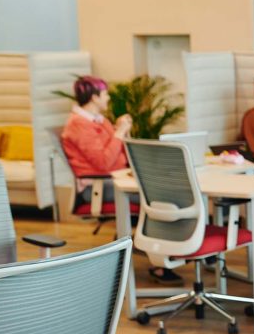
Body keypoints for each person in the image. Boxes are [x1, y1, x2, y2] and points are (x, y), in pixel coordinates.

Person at [61, 76, 181, 284]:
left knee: (161, 193)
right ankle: (160, 260)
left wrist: (119, 132)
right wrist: (119, 132)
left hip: (114, 180)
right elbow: (104, 163)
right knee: (157, 197)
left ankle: (158, 250)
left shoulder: (98, 120)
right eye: (105, 93)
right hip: (98, 186)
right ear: (94, 97)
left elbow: (121, 154)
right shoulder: (78, 125)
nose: (108, 98)